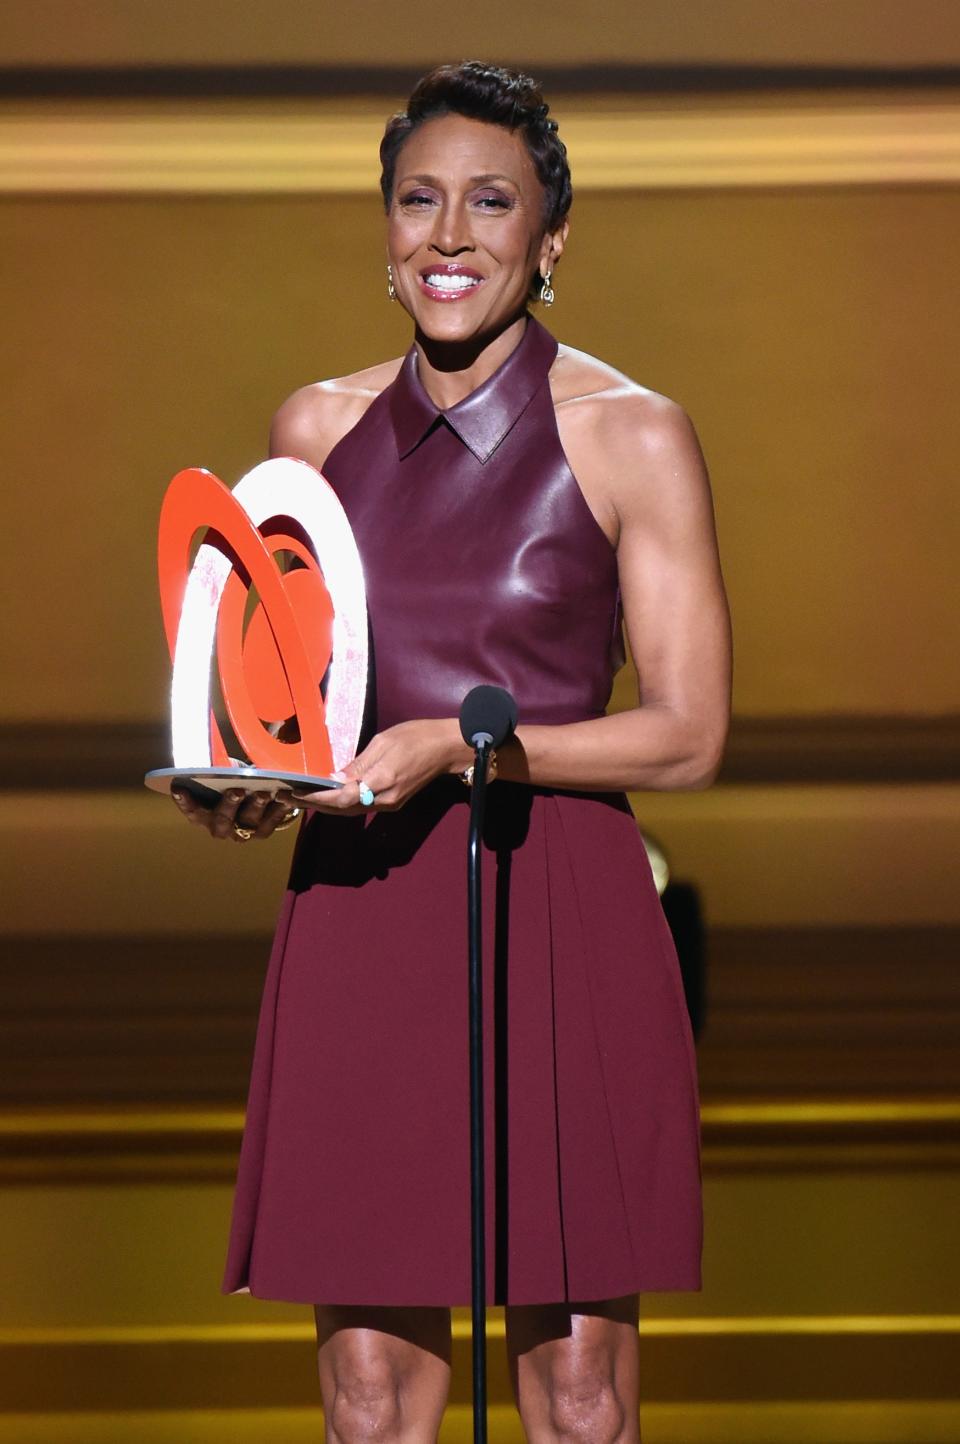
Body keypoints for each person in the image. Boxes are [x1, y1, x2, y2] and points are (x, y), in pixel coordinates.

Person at [172, 60, 730, 1444]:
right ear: (384, 231)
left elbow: (689, 731)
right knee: (369, 1391)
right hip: (363, 906)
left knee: (578, 1386)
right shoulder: (316, 434)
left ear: (551, 242)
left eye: (492, 204)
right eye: (419, 202)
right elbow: (288, 698)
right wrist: (254, 782)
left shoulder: (633, 435)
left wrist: (466, 752)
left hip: (561, 904)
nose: (449, 237)